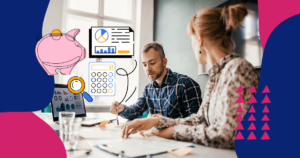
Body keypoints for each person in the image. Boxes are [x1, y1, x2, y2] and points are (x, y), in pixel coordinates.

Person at [121, 4, 259, 149]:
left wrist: (173, 131)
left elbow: (230, 135)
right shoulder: (215, 76)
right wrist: (158, 122)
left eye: (191, 39)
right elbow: (200, 120)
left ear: (199, 39)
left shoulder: (238, 69)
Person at [110, 42, 202, 120]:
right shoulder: (148, 89)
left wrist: (165, 121)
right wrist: (122, 109)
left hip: (180, 140)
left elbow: (196, 121)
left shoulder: (185, 84)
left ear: (164, 62)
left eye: (152, 63)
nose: (148, 69)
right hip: (156, 139)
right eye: (145, 65)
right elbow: (135, 110)